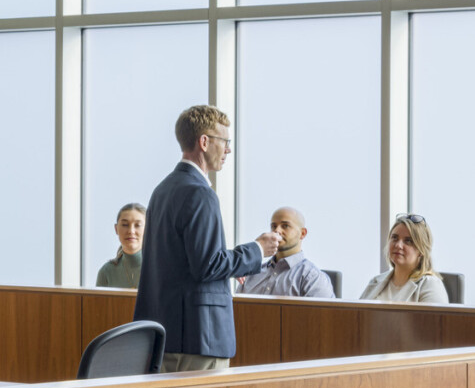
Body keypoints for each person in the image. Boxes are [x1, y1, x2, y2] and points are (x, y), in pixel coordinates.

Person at [135, 105, 279, 373]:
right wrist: (257, 249)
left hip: (163, 334)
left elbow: (181, 262)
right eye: (225, 142)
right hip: (200, 336)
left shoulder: (162, 190)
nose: (228, 150)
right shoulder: (200, 193)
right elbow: (208, 265)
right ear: (204, 142)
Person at [240, 208, 334, 299]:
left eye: (285, 226)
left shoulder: (314, 278)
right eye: (273, 226)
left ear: (302, 233)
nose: (277, 230)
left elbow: (322, 315)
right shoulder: (252, 274)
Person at [360, 214, 448, 303]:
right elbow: (357, 315)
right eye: (395, 237)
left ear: (421, 250)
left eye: (408, 241)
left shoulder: (430, 285)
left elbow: (433, 317)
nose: (398, 245)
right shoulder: (375, 281)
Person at [95, 202, 146, 288]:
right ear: (116, 229)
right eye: (125, 225)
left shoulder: (160, 268)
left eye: (138, 225)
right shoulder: (106, 272)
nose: (131, 231)